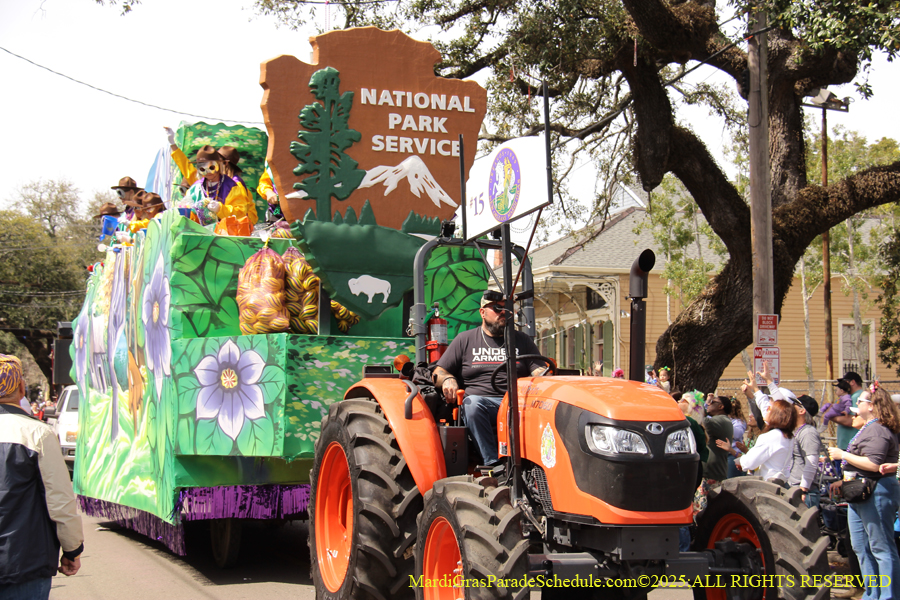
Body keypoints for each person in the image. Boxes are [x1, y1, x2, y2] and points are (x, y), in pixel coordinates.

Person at [0, 354, 84, 599]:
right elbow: (60, 500)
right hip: (25, 563)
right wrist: (72, 550)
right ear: (21, 388)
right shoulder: (38, 434)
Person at [434, 290, 546, 468]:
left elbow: (539, 370)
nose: (503, 313)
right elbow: (439, 371)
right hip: (482, 404)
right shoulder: (465, 340)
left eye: (507, 309)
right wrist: (447, 379)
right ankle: (493, 465)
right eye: (497, 308)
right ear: (482, 312)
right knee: (472, 405)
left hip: (517, 404)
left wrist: (544, 374)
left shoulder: (522, 340)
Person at [828, 387, 900, 600]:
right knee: (860, 546)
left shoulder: (878, 429)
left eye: (859, 402)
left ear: (872, 406)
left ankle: (888, 596)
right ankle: (873, 594)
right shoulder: (869, 427)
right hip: (859, 493)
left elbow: (872, 463)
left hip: (875, 492)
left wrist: (843, 454)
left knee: (881, 547)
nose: (855, 406)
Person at [183, 145, 258, 228]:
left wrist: (220, 209)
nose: (208, 172)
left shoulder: (232, 187)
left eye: (211, 167)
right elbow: (188, 217)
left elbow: (241, 213)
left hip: (226, 235)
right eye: (202, 169)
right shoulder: (194, 189)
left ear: (219, 165)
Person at [736, 399, 796, 481]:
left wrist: (741, 461)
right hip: (783, 482)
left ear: (776, 415)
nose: (766, 410)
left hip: (768, 484)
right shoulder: (789, 437)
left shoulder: (770, 436)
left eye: (769, 409)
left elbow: (749, 463)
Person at [788, 395, 823, 508]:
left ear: (802, 411)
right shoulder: (798, 430)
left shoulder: (808, 432)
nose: (791, 406)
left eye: (795, 405)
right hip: (795, 489)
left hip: (805, 493)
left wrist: (803, 489)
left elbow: (811, 463)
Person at [703, 394, 733, 484]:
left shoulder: (723, 420)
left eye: (712, 402)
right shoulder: (720, 420)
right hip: (710, 474)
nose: (708, 404)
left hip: (711, 475)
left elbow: (704, 422)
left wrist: (695, 407)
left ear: (720, 406)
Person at [834, 371, 865, 453]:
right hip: (848, 445)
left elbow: (850, 420)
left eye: (845, 382)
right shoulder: (853, 396)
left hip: (850, 445)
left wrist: (830, 416)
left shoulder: (856, 396)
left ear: (852, 382)